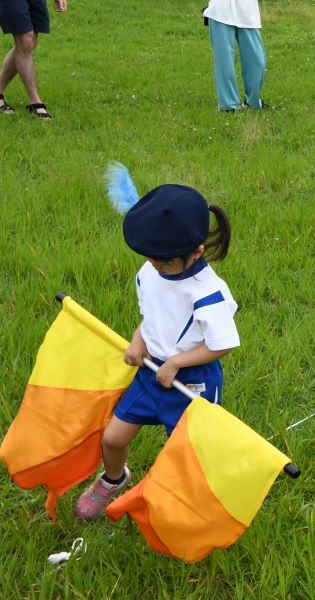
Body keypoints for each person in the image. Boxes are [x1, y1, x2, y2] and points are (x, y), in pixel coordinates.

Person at [75, 184, 238, 520]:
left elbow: (223, 344)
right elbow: (153, 316)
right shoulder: (151, 271)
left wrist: (177, 362)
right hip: (151, 373)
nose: (154, 266)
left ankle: (192, 501)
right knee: (113, 438)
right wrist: (140, 339)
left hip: (192, 384)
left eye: (162, 262)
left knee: (188, 454)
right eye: (150, 258)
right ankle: (114, 479)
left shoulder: (209, 293)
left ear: (196, 252)